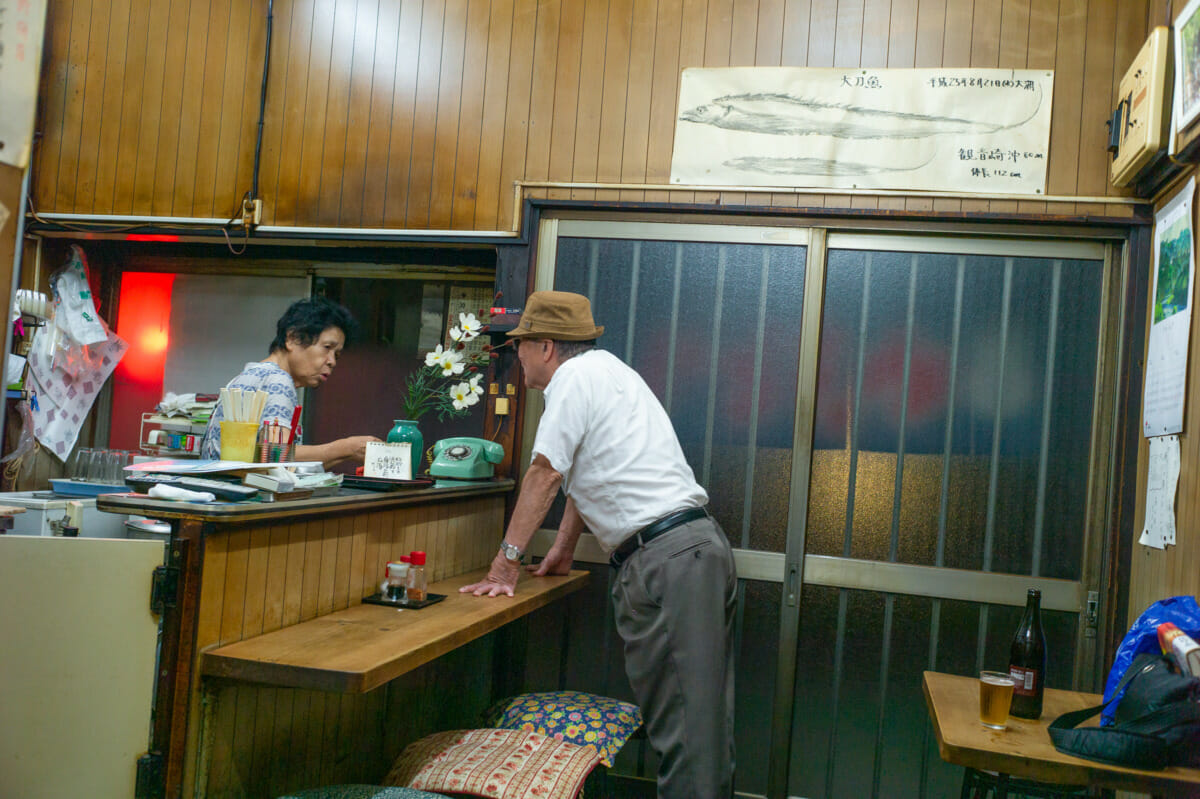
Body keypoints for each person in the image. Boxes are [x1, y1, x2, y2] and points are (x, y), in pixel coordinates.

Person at [460, 290, 737, 799]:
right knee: (701, 727)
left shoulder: (571, 381)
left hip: (667, 561)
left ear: (546, 346)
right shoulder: (610, 371)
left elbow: (545, 474)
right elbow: (592, 472)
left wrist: (505, 565)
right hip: (692, 552)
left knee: (688, 737)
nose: (515, 355)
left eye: (520, 345)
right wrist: (564, 547)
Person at [200, 296, 380, 467]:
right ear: (292, 338)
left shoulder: (248, 374)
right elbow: (275, 457)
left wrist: (344, 453)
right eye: (327, 348)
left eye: (337, 354)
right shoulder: (279, 381)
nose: (332, 361)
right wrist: (346, 448)